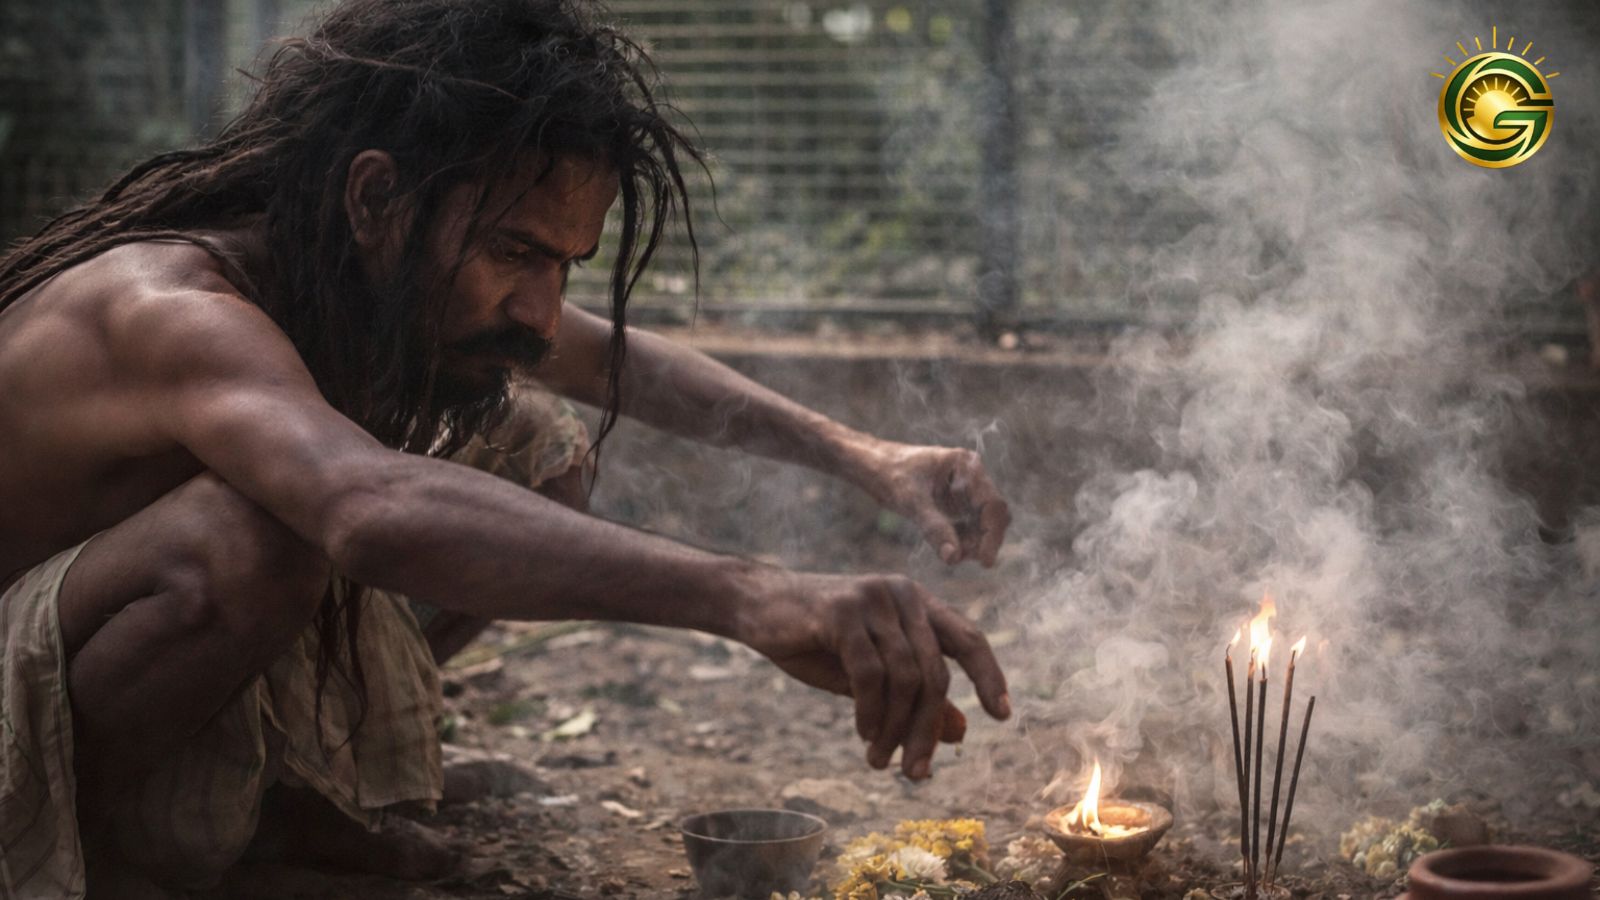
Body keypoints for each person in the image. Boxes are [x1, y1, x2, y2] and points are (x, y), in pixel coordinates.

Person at [0, 0, 1013, 894]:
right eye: (516, 252)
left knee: (539, 441)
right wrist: (757, 596)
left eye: (568, 262)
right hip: (13, 717)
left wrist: (866, 456)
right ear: (374, 197)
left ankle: (287, 791)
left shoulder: (350, 266)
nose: (542, 306)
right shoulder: (173, 308)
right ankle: (106, 859)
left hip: (85, 639)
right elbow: (367, 509)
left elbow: (614, 363)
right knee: (252, 539)